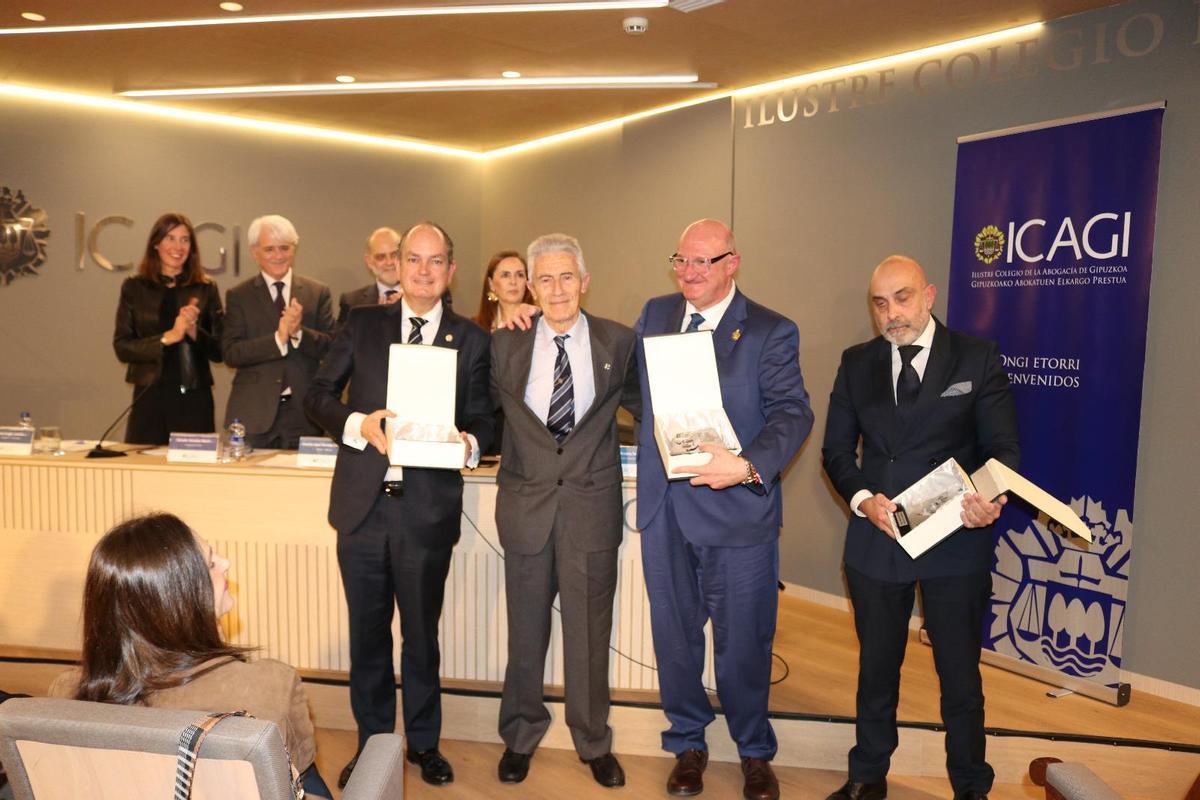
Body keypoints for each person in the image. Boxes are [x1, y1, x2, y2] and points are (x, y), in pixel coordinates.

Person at [820, 255, 1019, 800]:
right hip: (877, 538)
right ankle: (867, 776)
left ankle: (971, 785)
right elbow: (836, 451)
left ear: (929, 296)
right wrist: (864, 501)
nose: (892, 314)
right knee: (876, 672)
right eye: (880, 303)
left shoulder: (976, 357)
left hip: (956, 540)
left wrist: (988, 499)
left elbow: (1002, 450)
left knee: (960, 677)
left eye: (903, 298)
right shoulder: (856, 362)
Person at [304, 221, 493, 789]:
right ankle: (373, 746)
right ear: (398, 265)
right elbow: (317, 396)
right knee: (367, 637)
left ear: (450, 271)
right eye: (414, 259)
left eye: (436, 262)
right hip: (362, 508)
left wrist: (469, 443)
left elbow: (486, 418)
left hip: (426, 511)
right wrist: (357, 424)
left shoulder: (472, 338)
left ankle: (424, 744)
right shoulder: (363, 324)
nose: (423, 271)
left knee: (421, 636)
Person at [634, 219, 813, 800]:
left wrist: (748, 465)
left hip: (737, 513)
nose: (688, 273)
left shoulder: (769, 330)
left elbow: (793, 412)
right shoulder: (655, 315)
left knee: (743, 645)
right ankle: (687, 743)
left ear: (732, 263)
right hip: (666, 510)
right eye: (681, 260)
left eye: (702, 262)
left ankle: (754, 752)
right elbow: (629, 385)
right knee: (675, 640)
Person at [490, 234, 639, 787]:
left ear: (585, 281)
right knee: (525, 634)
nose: (557, 289)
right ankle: (520, 735)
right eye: (546, 279)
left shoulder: (618, 341)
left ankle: (593, 740)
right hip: (526, 509)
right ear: (530, 286)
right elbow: (478, 410)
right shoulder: (503, 343)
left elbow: (652, 408)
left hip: (590, 508)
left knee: (589, 636)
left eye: (567, 277)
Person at [48, 512, 331, 798]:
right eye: (211, 563)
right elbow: (298, 775)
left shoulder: (64, 695)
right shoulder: (270, 685)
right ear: (178, 598)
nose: (226, 563)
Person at [223, 214, 334, 449]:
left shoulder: (317, 292)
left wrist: (298, 332)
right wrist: (278, 338)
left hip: (304, 413)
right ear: (255, 252)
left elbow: (331, 347)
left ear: (294, 249)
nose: (278, 255)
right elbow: (231, 353)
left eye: (284, 248)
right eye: (269, 249)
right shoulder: (239, 296)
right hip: (254, 412)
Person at [112, 213, 223, 444]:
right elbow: (122, 347)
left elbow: (221, 351)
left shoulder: (205, 288)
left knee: (192, 466)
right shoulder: (134, 287)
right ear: (156, 243)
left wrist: (193, 331)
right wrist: (167, 338)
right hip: (149, 395)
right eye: (170, 238)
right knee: (143, 463)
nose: (178, 247)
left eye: (185, 240)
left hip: (194, 397)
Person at [337, 227, 404, 326]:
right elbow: (342, 336)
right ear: (369, 262)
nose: (389, 262)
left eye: (394, 255)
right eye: (381, 257)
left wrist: (407, 306)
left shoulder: (424, 296)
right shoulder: (352, 302)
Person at [472, 250, 534, 332]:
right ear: (491, 284)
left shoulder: (539, 322)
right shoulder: (475, 327)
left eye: (520, 275)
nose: (513, 282)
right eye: (505, 275)